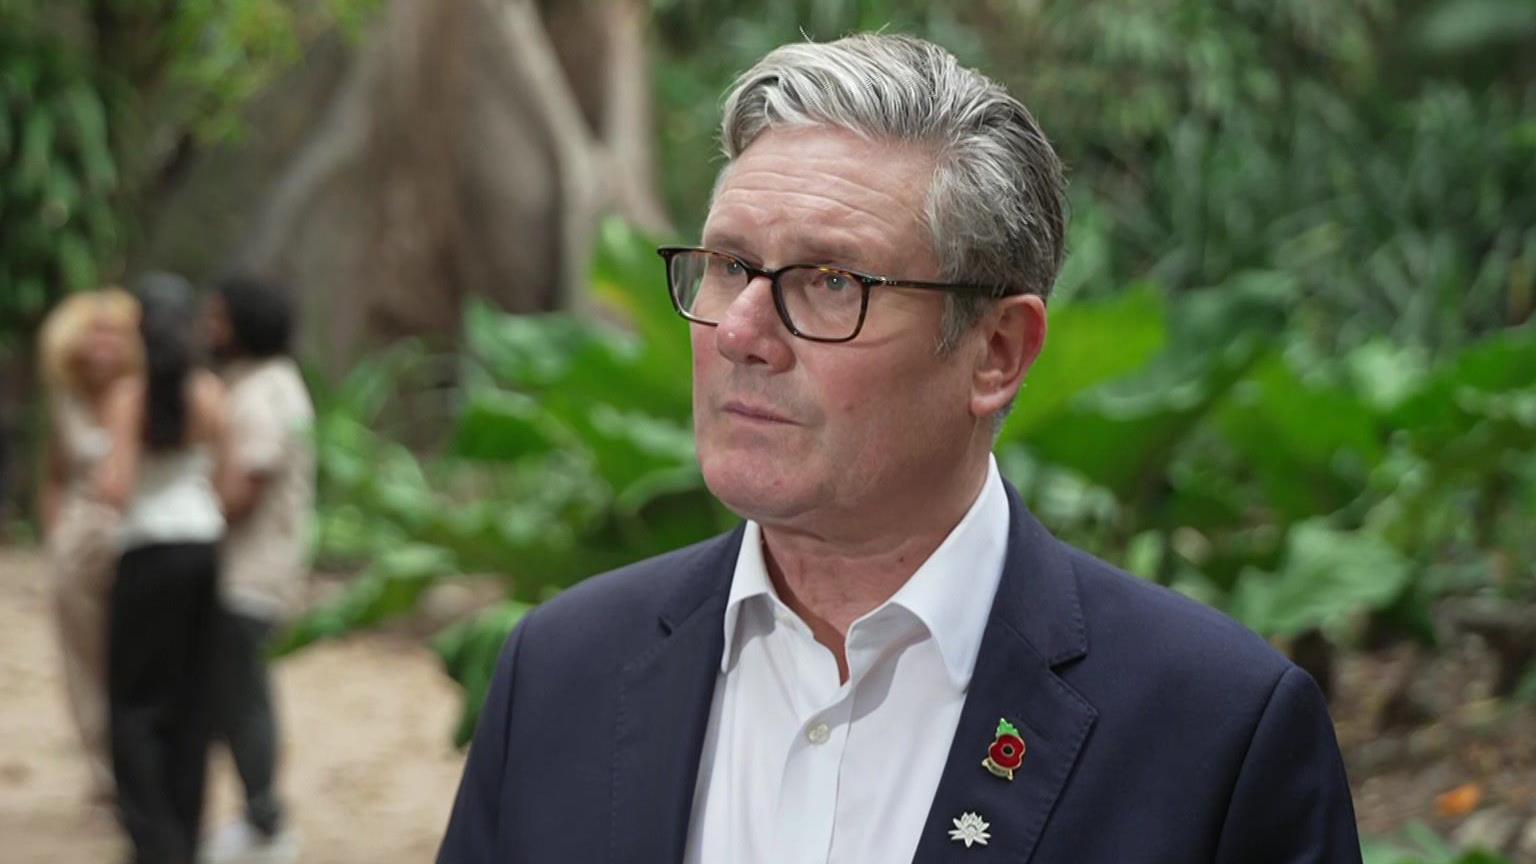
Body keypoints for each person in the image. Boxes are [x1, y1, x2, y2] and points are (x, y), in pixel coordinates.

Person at [438, 33, 1362, 864]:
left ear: (996, 352)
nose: (741, 333)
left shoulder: (1214, 732)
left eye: (831, 282)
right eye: (728, 267)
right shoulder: (560, 672)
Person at [97, 273, 230, 864]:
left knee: (133, 703)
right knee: (193, 699)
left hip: (147, 549)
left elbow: (116, 486)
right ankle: (186, 831)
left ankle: (154, 840)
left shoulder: (129, 396)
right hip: (202, 546)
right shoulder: (210, 391)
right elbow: (223, 475)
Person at [199, 275, 315, 864]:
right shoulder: (268, 383)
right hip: (259, 570)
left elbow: (248, 482)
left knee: (244, 702)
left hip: (251, 574)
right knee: (238, 699)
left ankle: (266, 823)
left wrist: (187, 512)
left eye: (218, 318)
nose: (209, 329)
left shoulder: (263, 393)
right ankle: (256, 816)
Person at [37, 288, 144, 803]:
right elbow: (55, 475)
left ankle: (139, 765)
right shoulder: (68, 402)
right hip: (77, 547)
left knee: (133, 656)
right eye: (94, 332)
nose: (104, 344)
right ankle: (104, 769)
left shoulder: (145, 394)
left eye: (115, 333)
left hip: (135, 538)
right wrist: (56, 534)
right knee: (83, 658)